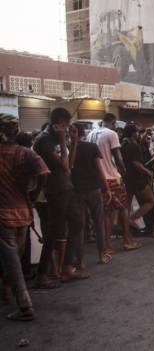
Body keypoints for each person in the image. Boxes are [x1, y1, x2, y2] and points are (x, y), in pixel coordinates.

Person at [0, 113, 48, 321]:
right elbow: (44, 173)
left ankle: (25, 305)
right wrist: (34, 193)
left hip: (3, 215)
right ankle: (6, 292)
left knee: (12, 261)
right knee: (14, 259)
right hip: (23, 213)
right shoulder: (25, 153)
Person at [87, 113, 141, 254]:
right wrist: (123, 172)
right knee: (122, 207)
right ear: (113, 122)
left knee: (107, 212)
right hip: (112, 177)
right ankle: (127, 241)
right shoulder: (111, 134)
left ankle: (107, 245)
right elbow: (118, 157)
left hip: (98, 178)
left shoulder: (91, 134)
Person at [33, 108, 74, 288]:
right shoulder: (45, 140)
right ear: (57, 122)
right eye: (65, 125)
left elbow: (70, 165)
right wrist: (64, 142)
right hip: (53, 191)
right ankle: (43, 273)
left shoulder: (54, 139)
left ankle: (66, 268)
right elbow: (64, 167)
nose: (66, 129)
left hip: (64, 188)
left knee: (73, 224)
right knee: (52, 232)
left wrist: (75, 141)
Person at [67, 123, 111, 269]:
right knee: (98, 222)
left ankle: (80, 260)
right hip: (93, 188)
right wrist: (107, 188)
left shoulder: (68, 148)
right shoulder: (91, 147)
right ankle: (102, 254)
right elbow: (99, 169)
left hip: (76, 190)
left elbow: (68, 168)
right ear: (83, 133)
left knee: (80, 226)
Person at [122, 124, 154, 234]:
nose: (138, 134)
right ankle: (132, 218)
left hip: (127, 178)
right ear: (133, 133)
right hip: (137, 178)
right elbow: (136, 163)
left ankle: (126, 230)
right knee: (150, 201)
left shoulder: (123, 144)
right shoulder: (134, 146)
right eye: (136, 132)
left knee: (126, 206)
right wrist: (147, 172)